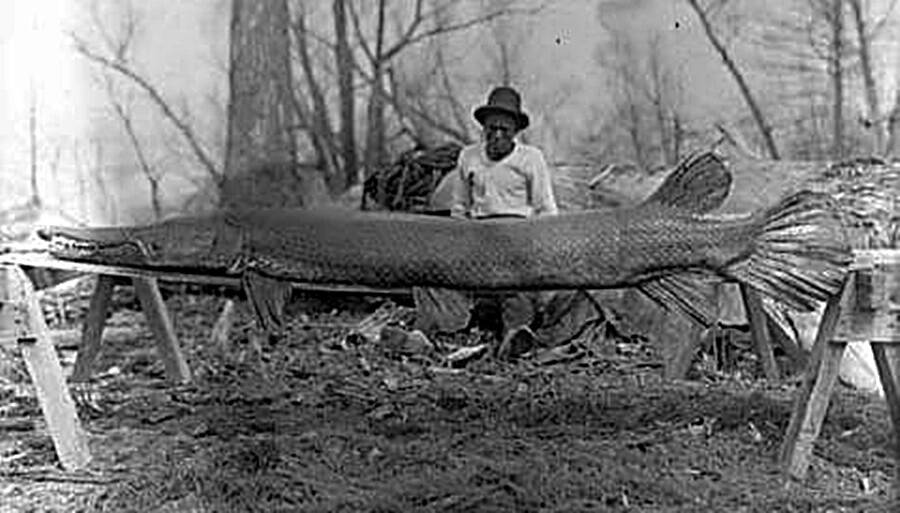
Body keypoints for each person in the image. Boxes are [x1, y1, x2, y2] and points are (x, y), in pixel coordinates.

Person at [415, 86, 598, 357]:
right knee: (435, 279)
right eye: (492, 129)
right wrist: (457, 245)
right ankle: (423, 335)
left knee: (518, 292)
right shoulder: (469, 156)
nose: (497, 135)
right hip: (477, 239)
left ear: (515, 131)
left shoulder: (530, 158)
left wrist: (533, 249)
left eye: (504, 129)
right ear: (484, 128)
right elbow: (460, 208)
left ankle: (514, 339)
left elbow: (546, 210)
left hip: (517, 241)